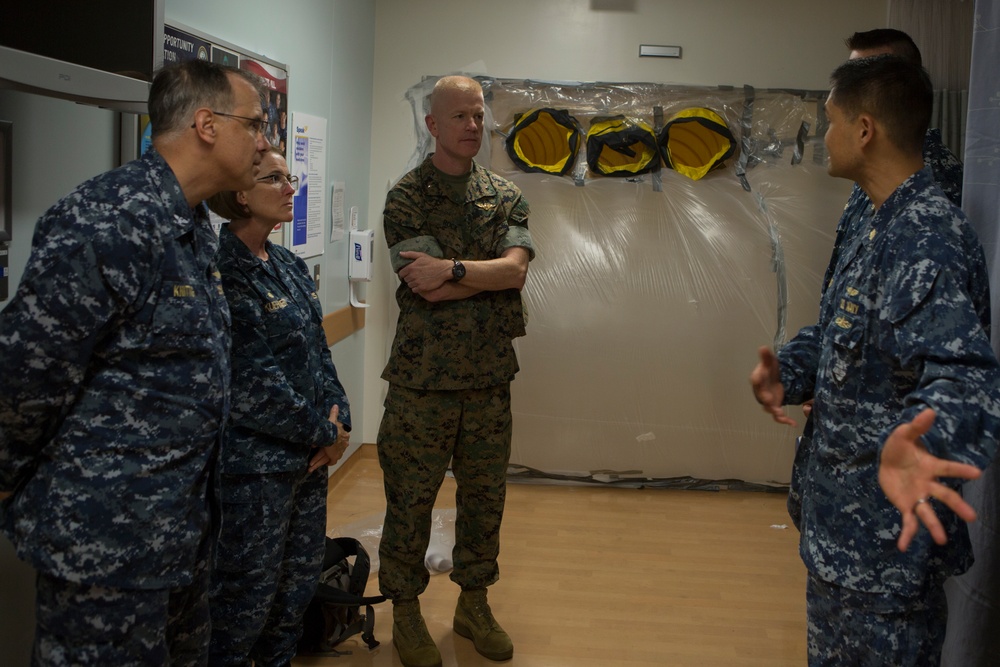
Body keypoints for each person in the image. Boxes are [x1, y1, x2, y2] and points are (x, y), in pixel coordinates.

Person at [0, 59, 269, 665]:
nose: (264, 141)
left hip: (180, 537)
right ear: (206, 124)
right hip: (107, 544)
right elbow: (24, 372)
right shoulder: (110, 218)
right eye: (254, 124)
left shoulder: (195, 224)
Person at [749, 55, 1000, 665]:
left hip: (887, 556)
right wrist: (791, 369)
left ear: (865, 130)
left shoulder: (924, 236)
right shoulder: (872, 219)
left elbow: (965, 375)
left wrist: (924, 447)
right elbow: (845, 328)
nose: (823, 136)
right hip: (840, 538)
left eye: (830, 121)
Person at [378, 74, 534, 667]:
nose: (474, 125)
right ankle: (407, 611)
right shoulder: (407, 197)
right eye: (461, 116)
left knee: (485, 498)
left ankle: (474, 601)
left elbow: (516, 270)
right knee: (411, 500)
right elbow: (425, 287)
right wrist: (476, 272)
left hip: (490, 378)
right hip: (423, 383)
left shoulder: (504, 195)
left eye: (479, 115)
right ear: (433, 126)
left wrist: (456, 269)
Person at [788, 28, 965, 530]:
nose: (826, 135)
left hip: (882, 517)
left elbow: (948, 376)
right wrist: (810, 375)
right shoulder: (877, 190)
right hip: (843, 494)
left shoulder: (929, 215)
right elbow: (853, 313)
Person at [204, 145, 351, 666]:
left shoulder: (285, 262)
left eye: (291, 177)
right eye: (275, 179)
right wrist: (325, 434)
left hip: (308, 461)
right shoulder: (225, 272)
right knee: (245, 603)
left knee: (293, 594)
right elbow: (253, 384)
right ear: (240, 194)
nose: (292, 189)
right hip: (257, 471)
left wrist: (341, 421)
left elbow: (318, 351)